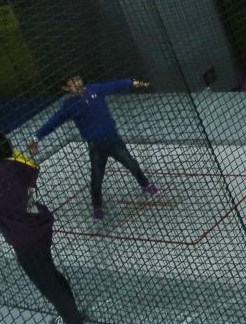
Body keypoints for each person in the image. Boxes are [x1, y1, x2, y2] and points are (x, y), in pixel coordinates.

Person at [0, 120, 94, 324]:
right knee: (51, 274)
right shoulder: (13, 158)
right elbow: (30, 167)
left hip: (25, 237)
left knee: (48, 286)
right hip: (38, 224)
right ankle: (72, 313)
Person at [34, 75, 155, 221]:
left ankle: (145, 184)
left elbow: (116, 84)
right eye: (72, 83)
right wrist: (36, 137)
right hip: (96, 147)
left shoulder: (96, 89)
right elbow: (53, 121)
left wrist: (136, 83)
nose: (77, 83)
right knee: (96, 179)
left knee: (131, 164)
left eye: (78, 79)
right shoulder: (69, 106)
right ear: (66, 88)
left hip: (114, 142)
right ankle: (97, 206)